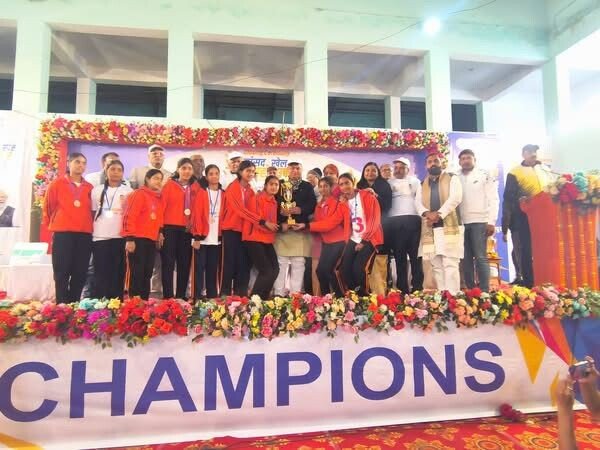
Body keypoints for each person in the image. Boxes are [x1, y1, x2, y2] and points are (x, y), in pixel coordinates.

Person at [42, 152, 94, 303]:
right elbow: (48, 208)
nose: (80, 165)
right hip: (63, 234)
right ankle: (62, 305)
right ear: (68, 163)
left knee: (80, 271)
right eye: (77, 162)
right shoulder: (56, 184)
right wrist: (57, 223)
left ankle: (74, 303)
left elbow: (92, 211)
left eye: (83, 163)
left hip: (84, 234)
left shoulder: (89, 187)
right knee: (61, 271)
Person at [502, 144, 552, 288]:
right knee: (526, 251)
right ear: (523, 154)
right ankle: (529, 283)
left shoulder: (545, 170)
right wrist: (506, 225)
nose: (533, 154)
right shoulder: (515, 172)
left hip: (546, 218)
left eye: (535, 151)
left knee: (545, 251)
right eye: (530, 151)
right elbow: (508, 199)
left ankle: (546, 281)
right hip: (523, 219)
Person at [221, 160, 274, 296]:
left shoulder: (251, 190)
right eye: (248, 171)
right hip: (231, 230)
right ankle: (225, 294)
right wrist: (262, 222)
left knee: (244, 264)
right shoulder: (232, 188)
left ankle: (241, 294)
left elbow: (254, 210)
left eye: (252, 171)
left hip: (245, 233)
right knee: (229, 263)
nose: (250, 174)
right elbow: (240, 210)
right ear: (240, 172)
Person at [415, 153, 463, 294]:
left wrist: (439, 214)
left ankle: (453, 297)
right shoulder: (422, 184)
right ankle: (443, 296)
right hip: (431, 228)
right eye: (430, 162)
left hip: (450, 226)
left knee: (450, 263)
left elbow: (456, 198)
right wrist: (427, 213)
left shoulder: (452, 178)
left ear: (441, 163)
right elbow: (417, 203)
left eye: (436, 161)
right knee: (436, 264)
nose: (433, 163)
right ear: (426, 165)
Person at [296, 176, 349, 296]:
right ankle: (327, 299)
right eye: (320, 186)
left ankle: (340, 298)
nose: (322, 189)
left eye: (325, 186)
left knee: (329, 270)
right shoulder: (319, 205)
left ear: (331, 187)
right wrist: (301, 227)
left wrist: (306, 225)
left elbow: (329, 224)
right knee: (320, 271)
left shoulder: (338, 203)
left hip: (339, 242)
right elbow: (317, 224)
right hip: (327, 242)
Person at [273, 159, 317, 296]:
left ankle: (295, 296)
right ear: (287, 170)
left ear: (301, 170)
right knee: (281, 264)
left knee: (298, 263)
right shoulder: (279, 184)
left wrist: (301, 210)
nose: (295, 171)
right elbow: (272, 202)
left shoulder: (307, 186)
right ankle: (278, 295)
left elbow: (313, 205)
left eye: (297, 168)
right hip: (283, 230)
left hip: (300, 230)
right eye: (292, 168)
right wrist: (280, 211)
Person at [457, 149, 499, 292]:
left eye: (469, 158)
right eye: (463, 158)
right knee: (466, 258)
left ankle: (484, 291)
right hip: (462, 223)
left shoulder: (484, 175)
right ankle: (471, 290)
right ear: (459, 162)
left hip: (480, 221)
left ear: (474, 160)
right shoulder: (455, 177)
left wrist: (491, 221)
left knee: (480, 257)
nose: (466, 161)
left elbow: (493, 199)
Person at [90, 160, 133, 299]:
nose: (116, 172)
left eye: (119, 170)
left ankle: (116, 302)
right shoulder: (96, 190)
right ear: (106, 171)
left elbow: (131, 216)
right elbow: (93, 212)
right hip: (100, 236)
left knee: (118, 272)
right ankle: (98, 302)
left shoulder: (128, 191)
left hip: (120, 237)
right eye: (112, 169)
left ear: (123, 173)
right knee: (100, 271)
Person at [160, 158, 201, 299]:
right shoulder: (169, 185)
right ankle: (168, 296)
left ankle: (181, 296)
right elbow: (161, 209)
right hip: (169, 229)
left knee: (184, 264)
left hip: (187, 230)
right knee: (168, 263)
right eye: (183, 168)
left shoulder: (196, 187)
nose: (187, 171)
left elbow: (198, 209)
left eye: (189, 168)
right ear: (178, 170)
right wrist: (160, 230)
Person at [336, 173, 383, 295]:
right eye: (341, 184)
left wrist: (364, 241)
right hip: (353, 238)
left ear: (353, 182)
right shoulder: (343, 202)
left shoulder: (368, 196)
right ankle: (355, 295)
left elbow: (374, 220)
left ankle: (365, 297)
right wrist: (341, 205)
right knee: (344, 269)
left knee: (358, 269)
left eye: (347, 183)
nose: (344, 186)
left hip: (369, 238)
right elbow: (341, 222)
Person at [122, 169, 165, 300]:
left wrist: (160, 232)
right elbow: (130, 216)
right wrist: (130, 238)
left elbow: (159, 218)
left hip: (151, 240)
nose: (158, 181)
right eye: (155, 178)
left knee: (147, 273)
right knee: (137, 272)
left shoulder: (158, 197)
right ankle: (134, 303)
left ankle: (144, 302)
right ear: (147, 179)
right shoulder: (138, 194)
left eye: (160, 179)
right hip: (137, 239)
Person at [386, 157, 423, 293]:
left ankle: (417, 287)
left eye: (402, 168)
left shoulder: (415, 182)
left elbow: (420, 200)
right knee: (399, 256)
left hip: (413, 220)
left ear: (408, 169)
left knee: (415, 256)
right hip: (395, 222)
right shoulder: (388, 183)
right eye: (396, 168)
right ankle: (402, 289)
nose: (398, 170)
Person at [356, 162, 392, 294]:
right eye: (367, 170)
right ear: (363, 173)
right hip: (363, 230)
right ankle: (365, 291)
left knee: (380, 259)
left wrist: (374, 195)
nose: (370, 173)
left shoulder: (384, 185)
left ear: (378, 173)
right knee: (362, 263)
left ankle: (381, 291)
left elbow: (387, 206)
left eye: (373, 170)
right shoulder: (359, 186)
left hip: (381, 227)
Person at [244, 176, 281, 299]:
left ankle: (263, 299)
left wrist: (279, 226)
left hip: (267, 239)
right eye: (271, 184)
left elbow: (272, 223)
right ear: (265, 186)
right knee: (266, 271)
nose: (274, 187)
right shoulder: (256, 198)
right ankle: (254, 300)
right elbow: (256, 220)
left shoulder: (274, 201)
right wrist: (269, 226)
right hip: (254, 238)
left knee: (275, 269)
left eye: (276, 184)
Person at [191, 165, 224, 299]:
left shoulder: (224, 194)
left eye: (216, 173)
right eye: (211, 174)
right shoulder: (202, 193)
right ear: (206, 176)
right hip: (202, 238)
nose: (214, 176)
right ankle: (196, 298)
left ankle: (212, 297)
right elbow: (197, 215)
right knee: (199, 270)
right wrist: (197, 236)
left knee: (212, 270)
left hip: (217, 238)